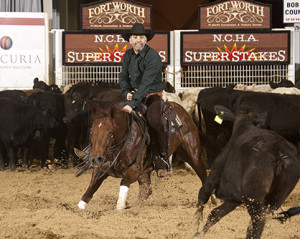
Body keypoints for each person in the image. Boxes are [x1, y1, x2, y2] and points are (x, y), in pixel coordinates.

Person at [119, 23, 169, 177]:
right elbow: (123, 76)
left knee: (155, 120)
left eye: (141, 37)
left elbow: (146, 83)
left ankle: (162, 157)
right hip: (134, 94)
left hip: (152, 94)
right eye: (135, 37)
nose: (138, 40)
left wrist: (132, 104)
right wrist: (126, 91)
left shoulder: (153, 56)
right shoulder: (127, 55)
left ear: (146, 39)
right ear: (130, 40)